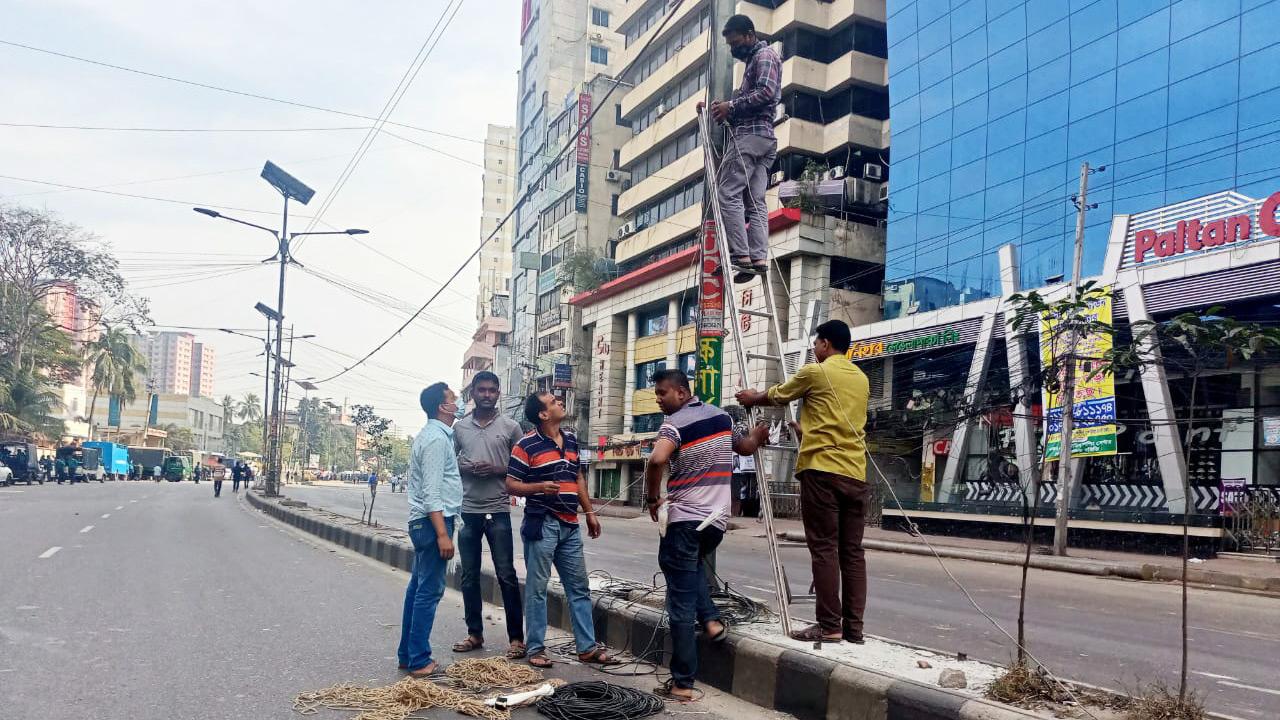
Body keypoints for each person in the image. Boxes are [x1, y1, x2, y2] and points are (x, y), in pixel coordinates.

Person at [736, 319, 870, 643]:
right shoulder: (862, 379)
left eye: (816, 343)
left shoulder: (815, 371)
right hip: (856, 473)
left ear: (826, 344)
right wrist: (804, 431)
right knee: (852, 552)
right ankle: (854, 629)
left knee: (824, 548)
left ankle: (829, 626)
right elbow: (838, 422)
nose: (814, 348)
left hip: (822, 471)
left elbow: (781, 395)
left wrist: (752, 398)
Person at [644, 370, 768, 700]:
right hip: (716, 522)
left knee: (679, 602)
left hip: (684, 521)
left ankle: (683, 682)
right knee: (690, 567)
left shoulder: (674, 424)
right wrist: (758, 434)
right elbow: (745, 447)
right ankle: (712, 620)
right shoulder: (721, 417)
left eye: (662, 393)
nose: (658, 399)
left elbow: (657, 460)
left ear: (682, 393)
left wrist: (652, 498)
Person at [506, 392, 614, 669]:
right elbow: (511, 484)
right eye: (553, 402)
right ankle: (536, 648)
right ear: (542, 415)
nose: (560, 402)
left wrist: (589, 512)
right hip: (542, 523)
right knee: (537, 589)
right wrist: (539, 487)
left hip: (569, 524)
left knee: (579, 587)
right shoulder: (525, 445)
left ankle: (586, 648)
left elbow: (577, 477)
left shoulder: (572, 440)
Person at [697, 13, 781, 284]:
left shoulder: (764, 56)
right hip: (762, 140)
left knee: (726, 192)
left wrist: (730, 107)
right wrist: (724, 111)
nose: (734, 49)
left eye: (736, 43)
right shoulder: (754, 61)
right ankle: (756, 259)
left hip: (751, 139)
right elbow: (755, 101)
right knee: (755, 202)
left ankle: (740, 255)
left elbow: (766, 93)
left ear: (749, 35)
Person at [451, 371, 527, 659]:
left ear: (498, 394)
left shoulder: (511, 427)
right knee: (469, 575)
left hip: (498, 510)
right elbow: (449, 464)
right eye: (481, 390)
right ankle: (474, 634)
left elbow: (523, 467)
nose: (486, 394)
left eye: (491, 390)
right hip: (468, 510)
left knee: (506, 575)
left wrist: (497, 469)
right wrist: (467, 468)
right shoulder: (459, 428)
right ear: (473, 394)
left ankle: (516, 640)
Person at [398, 382, 463, 678]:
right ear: (443, 406)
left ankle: (408, 654)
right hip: (434, 521)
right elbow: (432, 493)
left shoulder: (432, 436)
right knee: (429, 591)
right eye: (453, 398)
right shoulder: (437, 440)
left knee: (418, 589)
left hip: (423, 522)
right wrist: (442, 534)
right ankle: (419, 660)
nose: (458, 401)